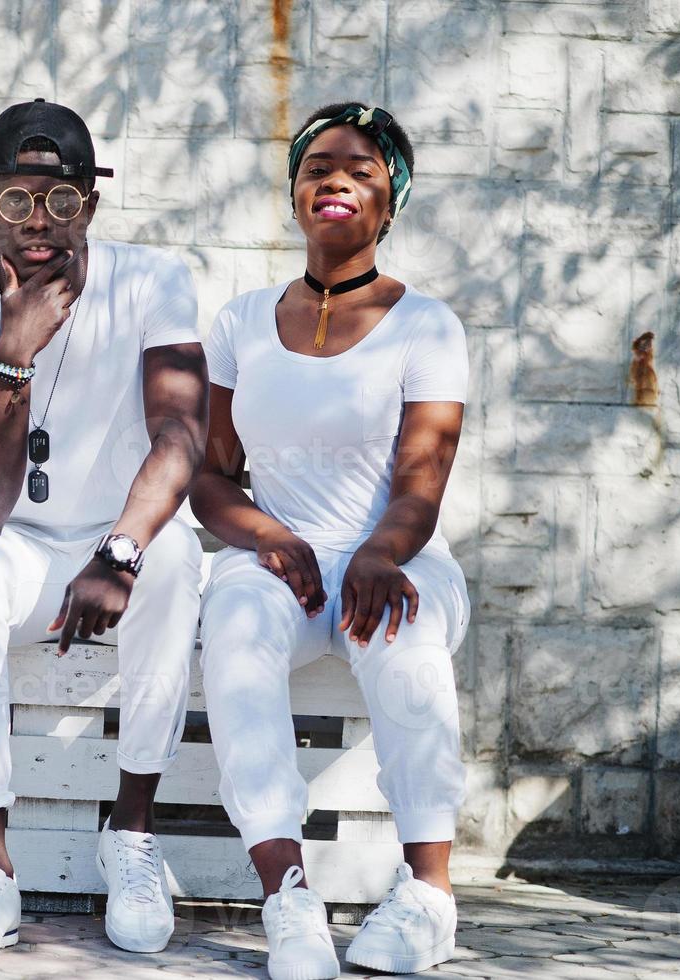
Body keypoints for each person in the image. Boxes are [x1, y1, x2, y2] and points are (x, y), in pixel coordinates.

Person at [0, 98, 209, 966]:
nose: (38, 225)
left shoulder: (153, 282)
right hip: (23, 554)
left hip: (126, 537)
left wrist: (118, 551)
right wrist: (14, 356)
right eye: (15, 201)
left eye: (61, 201)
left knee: (176, 552)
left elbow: (181, 436)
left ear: (91, 203)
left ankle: (133, 838)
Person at [191, 103, 469, 979]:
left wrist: (382, 554)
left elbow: (422, 478)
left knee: (403, 637)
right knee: (231, 624)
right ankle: (287, 897)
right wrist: (266, 535)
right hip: (283, 561)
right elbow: (207, 477)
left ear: (391, 203)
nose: (335, 179)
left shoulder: (426, 325)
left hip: (395, 551)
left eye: (361, 169)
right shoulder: (239, 322)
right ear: (294, 194)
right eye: (317, 167)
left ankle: (428, 896)